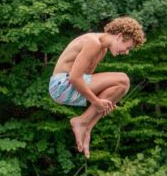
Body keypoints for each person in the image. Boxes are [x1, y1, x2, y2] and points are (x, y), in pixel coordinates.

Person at [49, 17, 146, 158]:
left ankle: (87, 126)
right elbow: (74, 78)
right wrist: (96, 101)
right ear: (119, 36)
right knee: (123, 80)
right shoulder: (93, 43)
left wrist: (106, 99)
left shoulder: (102, 49)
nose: (126, 52)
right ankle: (81, 122)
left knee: (120, 87)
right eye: (128, 47)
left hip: (65, 88)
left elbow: (86, 79)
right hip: (61, 86)